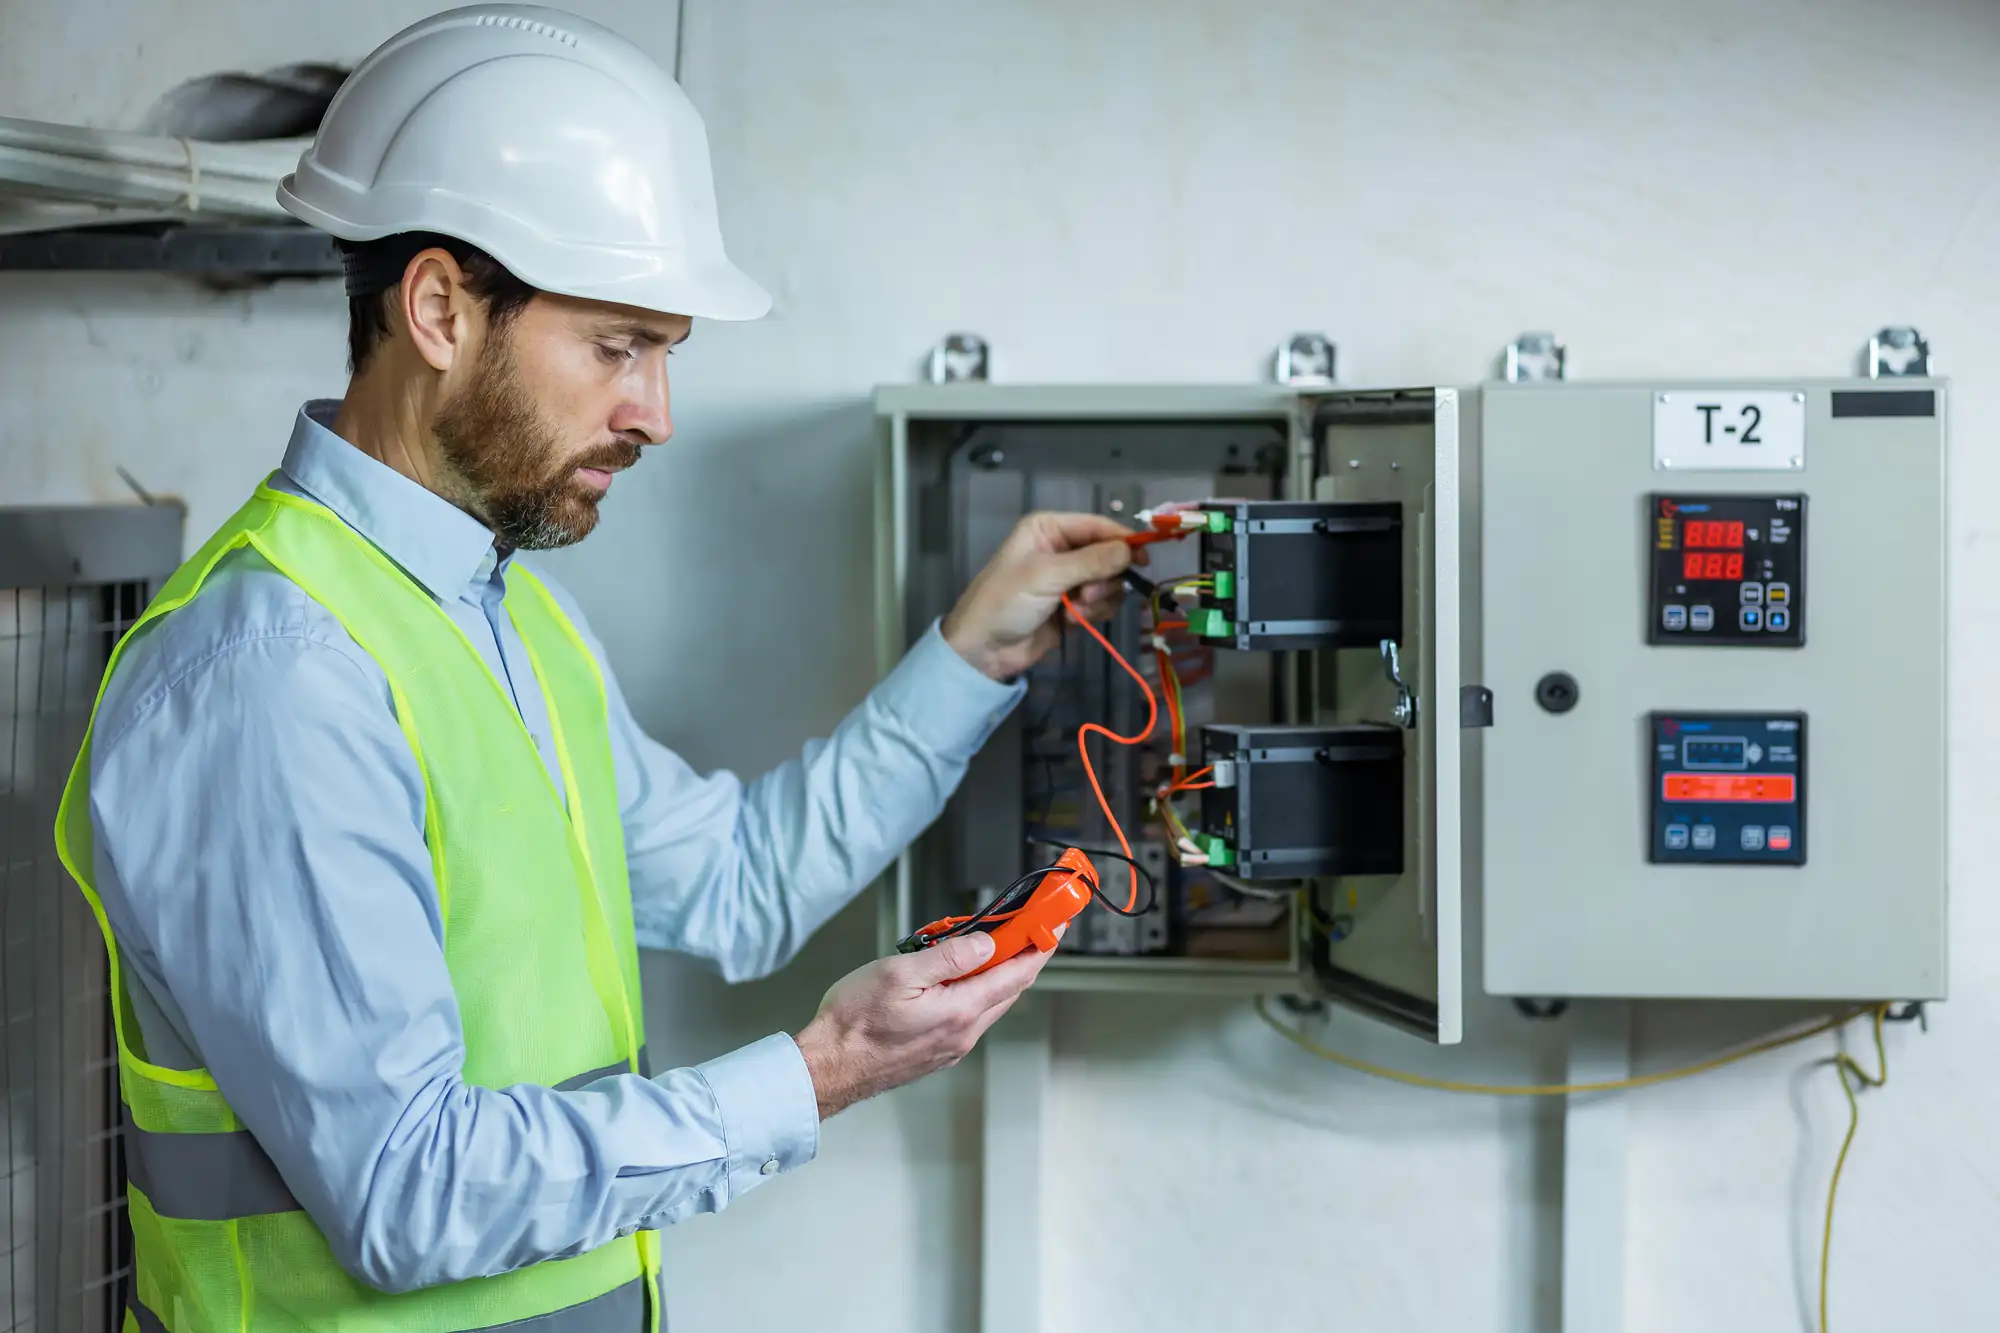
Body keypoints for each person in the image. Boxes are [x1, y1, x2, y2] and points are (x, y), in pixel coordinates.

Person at [52, 7, 1133, 1331]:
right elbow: (407, 1190)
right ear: (440, 307)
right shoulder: (275, 675)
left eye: (666, 352)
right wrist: (823, 1071)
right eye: (618, 346)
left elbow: (740, 887)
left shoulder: (512, 624)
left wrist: (975, 653)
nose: (655, 415)